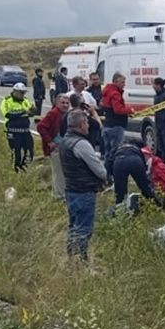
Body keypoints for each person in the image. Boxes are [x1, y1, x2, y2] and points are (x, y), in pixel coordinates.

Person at [59, 109, 107, 260]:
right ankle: (81, 261)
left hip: (71, 190)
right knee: (84, 229)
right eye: (86, 122)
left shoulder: (65, 140)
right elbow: (100, 170)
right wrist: (106, 177)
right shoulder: (81, 144)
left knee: (74, 226)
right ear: (81, 125)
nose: (88, 126)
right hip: (84, 191)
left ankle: (71, 257)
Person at [110, 135, 165, 212]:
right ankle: (159, 206)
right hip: (135, 160)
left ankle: (120, 212)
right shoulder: (137, 149)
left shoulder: (118, 147)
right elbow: (144, 166)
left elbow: (110, 160)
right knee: (145, 188)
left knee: (120, 192)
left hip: (119, 160)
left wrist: (110, 177)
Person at [37, 92, 70, 199]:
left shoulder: (65, 114)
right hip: (56, 148)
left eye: (67, 103)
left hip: (63, 146)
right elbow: (41, 126)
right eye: (62, 103)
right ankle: (59, 196)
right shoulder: (53, 113)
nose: (65, 105)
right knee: (58, 172)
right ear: (56, 103)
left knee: (62, 172)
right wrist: (49, 141)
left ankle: (59, 193)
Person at [100, 73, 132, 177]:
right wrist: (129, 110)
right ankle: (112, 176)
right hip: (116, 126)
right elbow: (118, 110)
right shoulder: (115, 93)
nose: (124, 84)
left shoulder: (107, 92)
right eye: (122, 82)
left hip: (107, 126)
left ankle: (106, 176)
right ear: (115, 82)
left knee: (108, 153)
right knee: (115, 153)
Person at [1, 82, 35, 172]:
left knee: (29, 150)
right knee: (16, 152)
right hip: (13, 131)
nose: (23, 95)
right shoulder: (7, 100)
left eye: (24, 93)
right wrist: (24, 112)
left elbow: (30, 112)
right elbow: (7, 114)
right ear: (15, 91)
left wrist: (33, 111)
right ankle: (15, 170)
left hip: (25, 131)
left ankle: (24, 169)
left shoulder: (25, 100)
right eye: (21, 93)